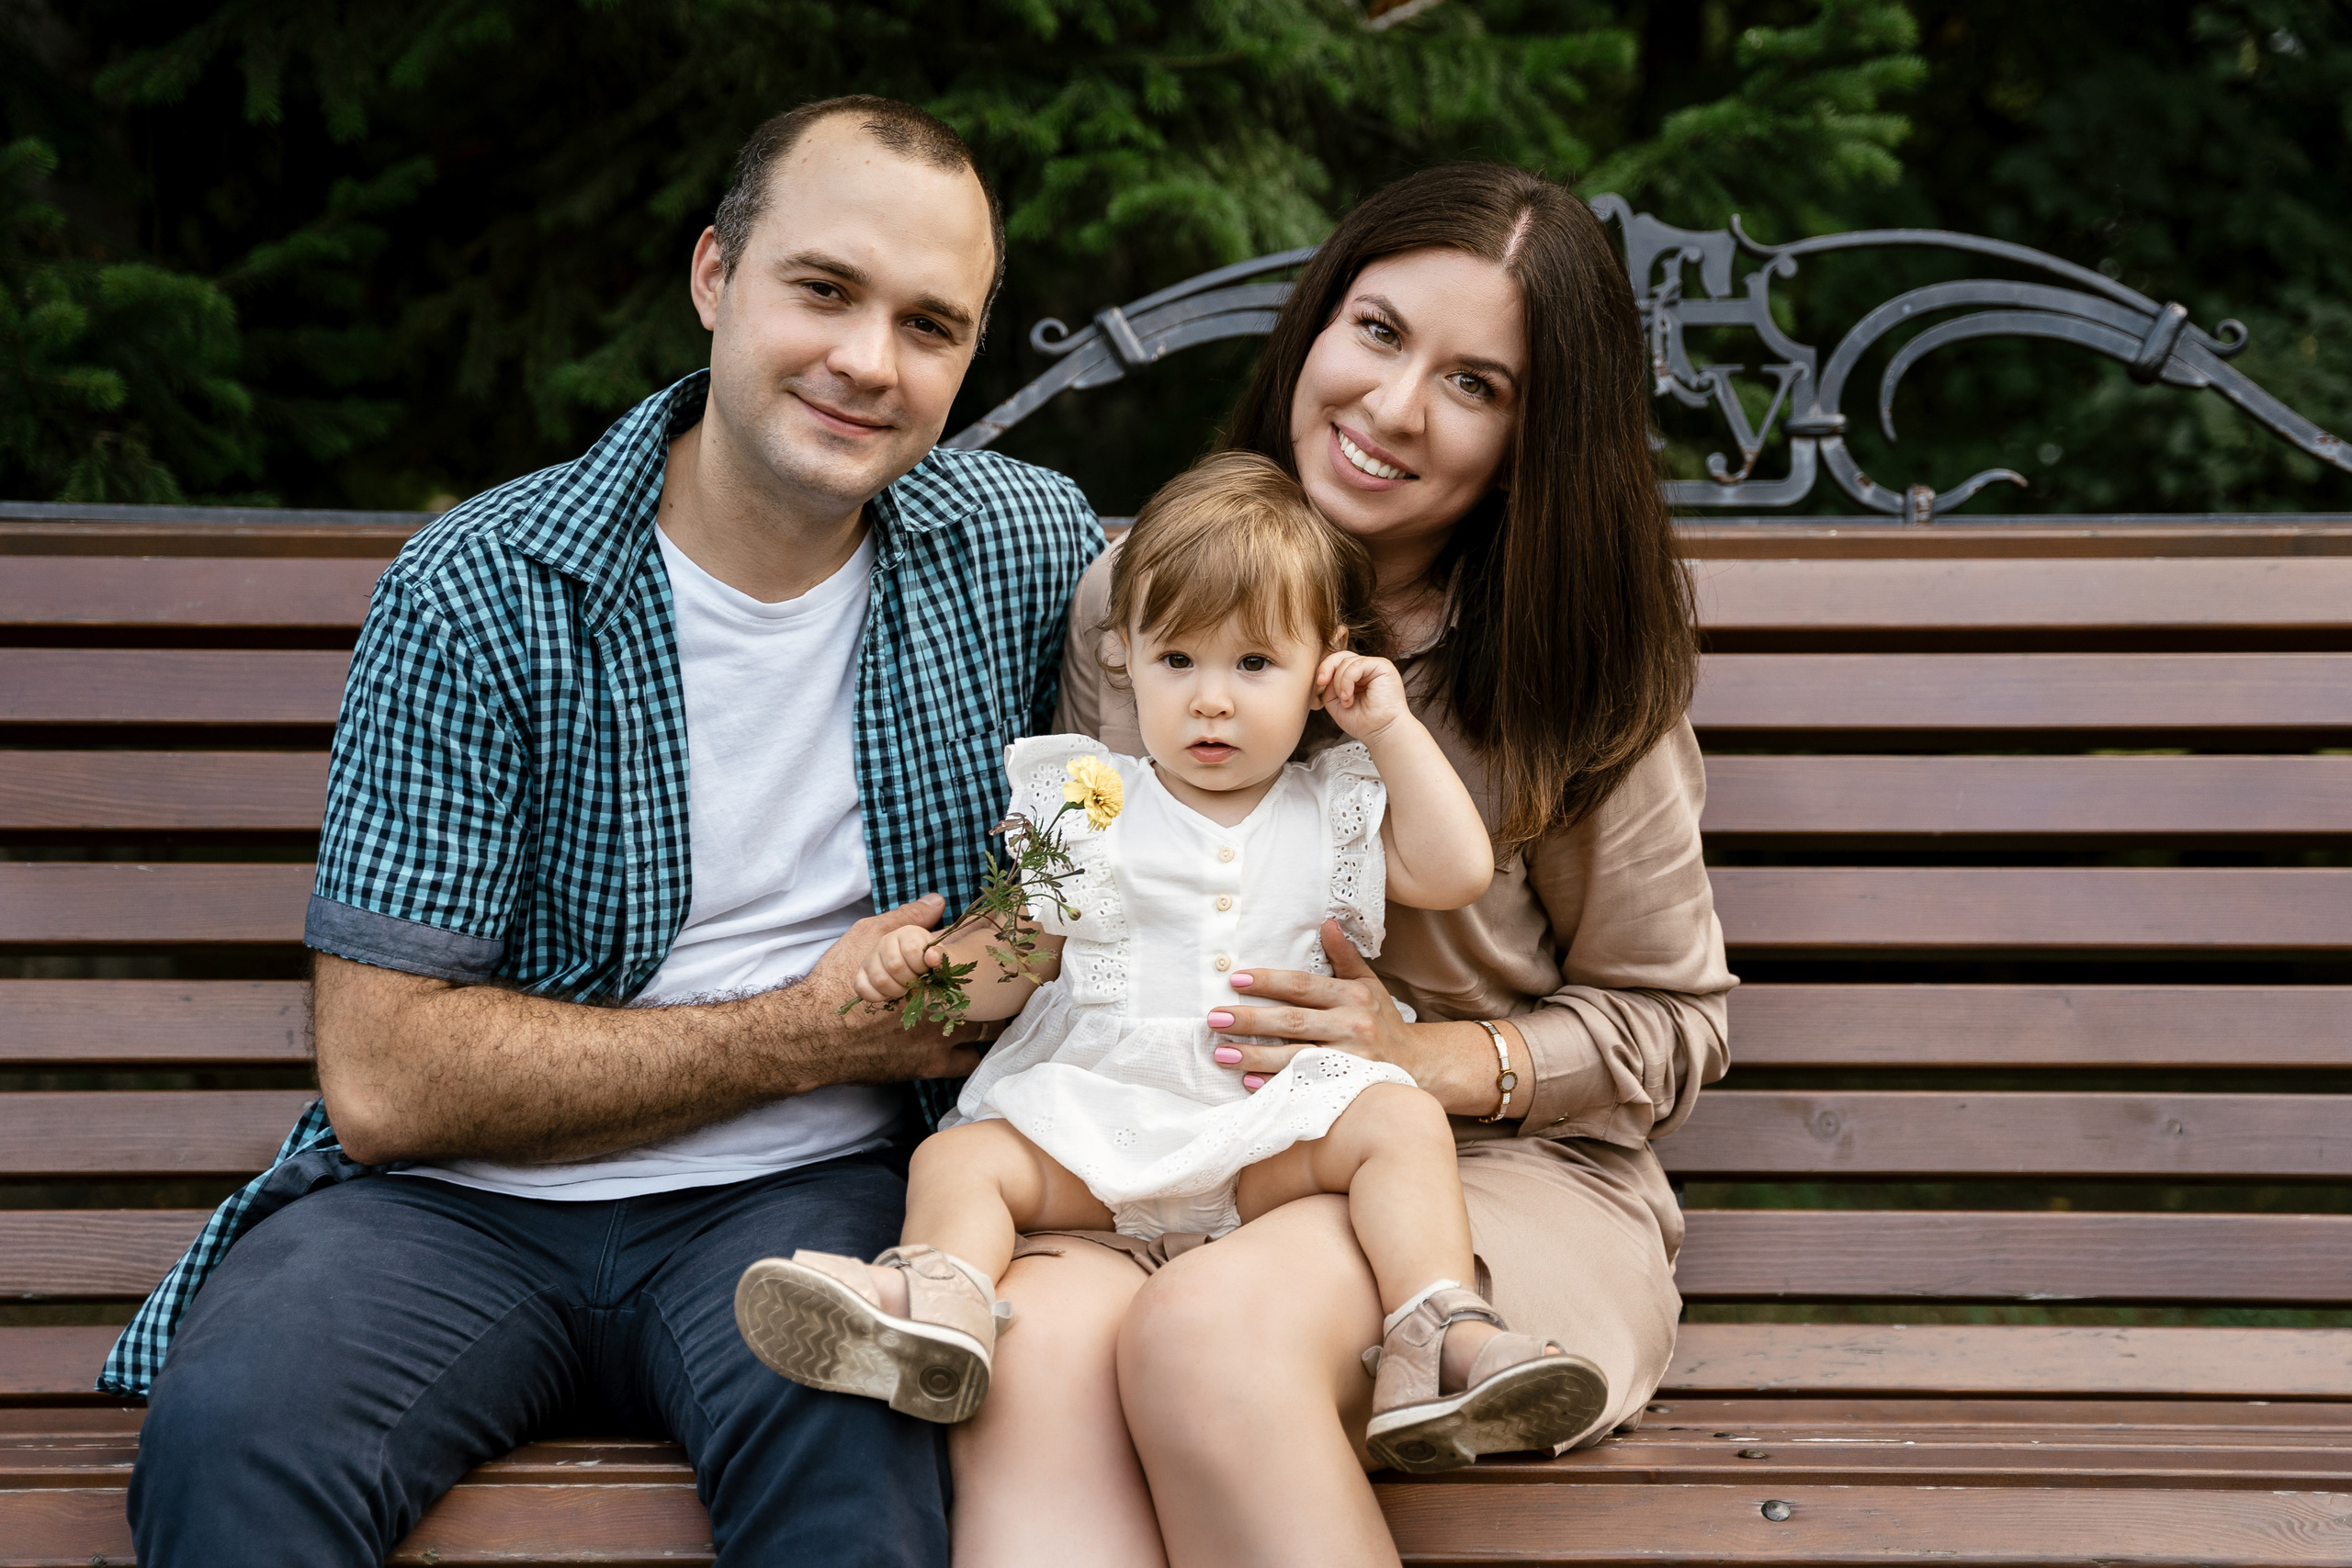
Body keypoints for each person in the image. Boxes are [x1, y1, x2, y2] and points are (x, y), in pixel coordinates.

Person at [116, 96, 1101, 1568]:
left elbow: (1223, 690)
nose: (866, 362)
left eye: (929, 326)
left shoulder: (1017, 544)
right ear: (714, 277)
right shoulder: (486, 585)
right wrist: (803, 1033)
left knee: (866, 1451)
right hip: (447, 1212)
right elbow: (384, 1075)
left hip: (806, 1194)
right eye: (823, 291)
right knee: (238, 1436)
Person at [953, 164, 1735, 1567]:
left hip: (1482, 1177)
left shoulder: (1583, 658)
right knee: (1036, 1356)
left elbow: (1674, 1020)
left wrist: (1420, 1055)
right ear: (1317, 324)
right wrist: (937, 974)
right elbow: (1084, 899)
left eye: (1475, 383)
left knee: (1210, 1337)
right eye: (1377, 331)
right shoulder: (1147, 600)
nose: (1392, 406)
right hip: (1159, 1135)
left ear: (1531, 436)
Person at [733, 452, 1606, 1472]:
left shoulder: (1330, 807)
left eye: (1254, 666)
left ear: (1324, 668)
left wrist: (1389, 723)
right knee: (959, 1160)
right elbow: (1011, 967)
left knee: (1401, 1118)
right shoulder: (1087, 800)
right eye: (1178, 661)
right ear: (1123, 655)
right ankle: (937, 1307)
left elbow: (1454, 870)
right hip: (1097, 1123)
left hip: (1262, 1133)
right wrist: (914, 973)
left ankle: (1438, 1336)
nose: (1210, 703)